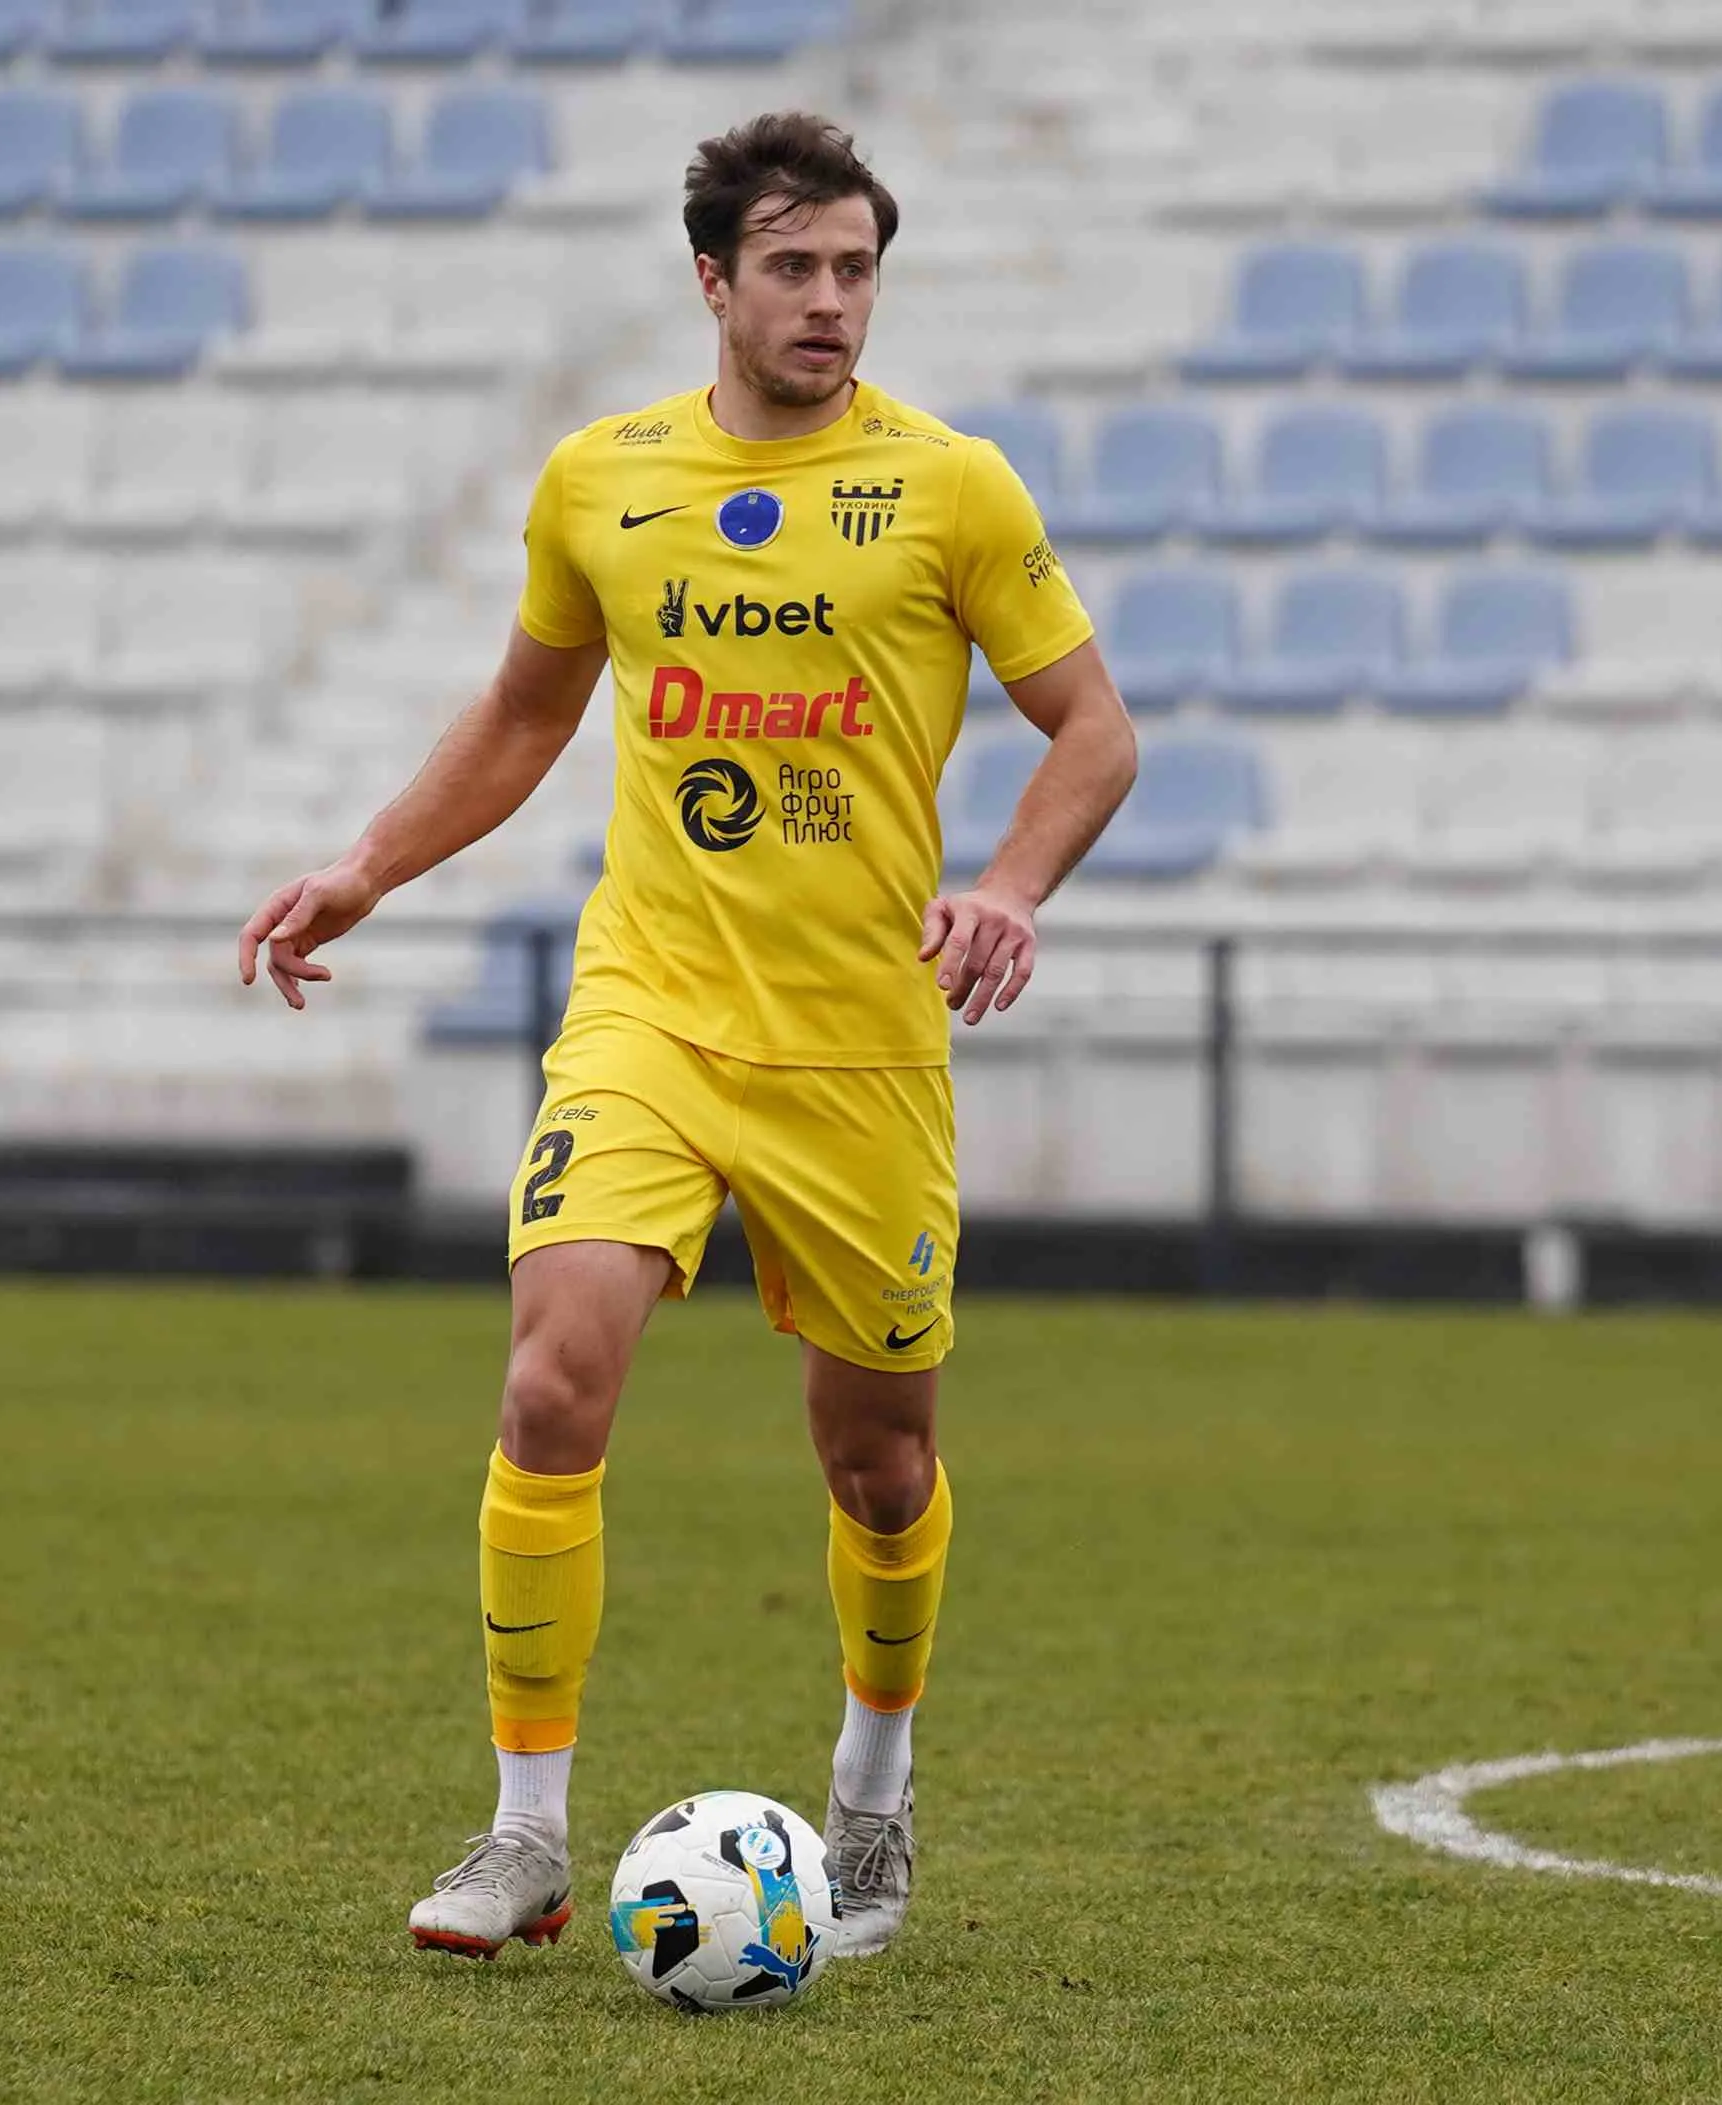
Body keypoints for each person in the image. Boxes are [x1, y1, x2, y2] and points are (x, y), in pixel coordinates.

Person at [237, 109, 1137, 1963]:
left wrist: (1011, 888)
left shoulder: (953, 489)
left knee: (880, 1464)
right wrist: (366, 867)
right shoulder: (602, 481)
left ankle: (870, 1795)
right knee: (550, 1383)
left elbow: (1096, 731)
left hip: (861, 1045)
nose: (831, 301)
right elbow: (524, 713)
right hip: (648, 1011)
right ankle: (524, 1835)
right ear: (713, 280)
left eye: (856, 269)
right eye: (794, 267)